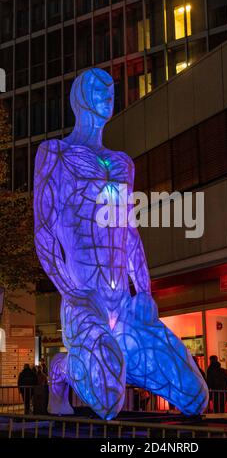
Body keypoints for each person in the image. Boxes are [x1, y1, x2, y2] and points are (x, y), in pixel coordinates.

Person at [34, 68, 208, 419]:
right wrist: (71, 291)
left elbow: (128, 233)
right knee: (109, 403)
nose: (107, 94)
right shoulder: (55, 154)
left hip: (124, 305)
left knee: (195, 395)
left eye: (111, 89)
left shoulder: (122, 163)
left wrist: (143, 291)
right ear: (79, 97)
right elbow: (44, 230)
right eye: (98, 88)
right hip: (84, 300)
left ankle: (115, 357)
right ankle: (64, 368)